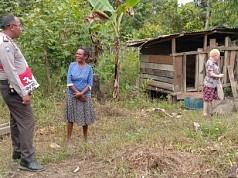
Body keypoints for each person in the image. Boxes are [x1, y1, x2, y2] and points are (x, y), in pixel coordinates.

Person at [0, 14, 44, 172]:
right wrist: (23, 92)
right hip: (12, 88)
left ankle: (18, 152)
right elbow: (11, 71)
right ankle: (27, 159)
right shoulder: (4, 44)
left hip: (11, 87)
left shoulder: (7, 42)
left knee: (16, 119)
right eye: (19, 25)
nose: (21, 28)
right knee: (27, 120)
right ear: (11, 27)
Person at [64, 46, 96, 144]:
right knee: (70, 118)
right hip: (72, 95)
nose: (77, 55)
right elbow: (69, 82)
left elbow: (89, 84)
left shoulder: (89, 68)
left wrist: (82, 94)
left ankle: (85, 139)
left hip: (85, 96)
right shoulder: (72, 66)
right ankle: (69, 140)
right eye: (76, 53)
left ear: (85, 57)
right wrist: (77, 93)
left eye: (80, 54)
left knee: (85, 117)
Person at [203, 49, 224, 116]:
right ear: (215, 55)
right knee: (206, 98)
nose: (218, 57)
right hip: (209, 84)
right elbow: (211, 74)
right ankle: (204, 112)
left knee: (213, 97)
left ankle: (213, 111)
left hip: (214, 84)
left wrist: (218, 76)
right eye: (218, 56)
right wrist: (219, 76)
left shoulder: (213, 62)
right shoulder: (210, 62)